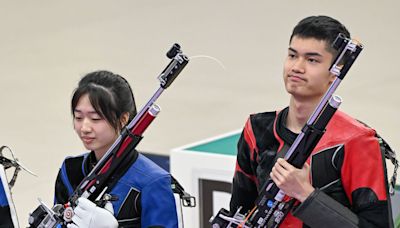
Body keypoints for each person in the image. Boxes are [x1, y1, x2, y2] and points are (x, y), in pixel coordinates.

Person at [229, 16, 393, 227]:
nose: (297, 67)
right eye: (292, 55)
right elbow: (239, 212)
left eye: (312, 60)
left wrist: (305, 193)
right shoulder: (257, 129)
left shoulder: (358, 141)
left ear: (336, 71)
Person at [54, 70, 179, 228]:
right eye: (78, 117)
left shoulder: (153, 182)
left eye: (95, 119)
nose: (84, 127)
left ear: (123, 119)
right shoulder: (70, 170)